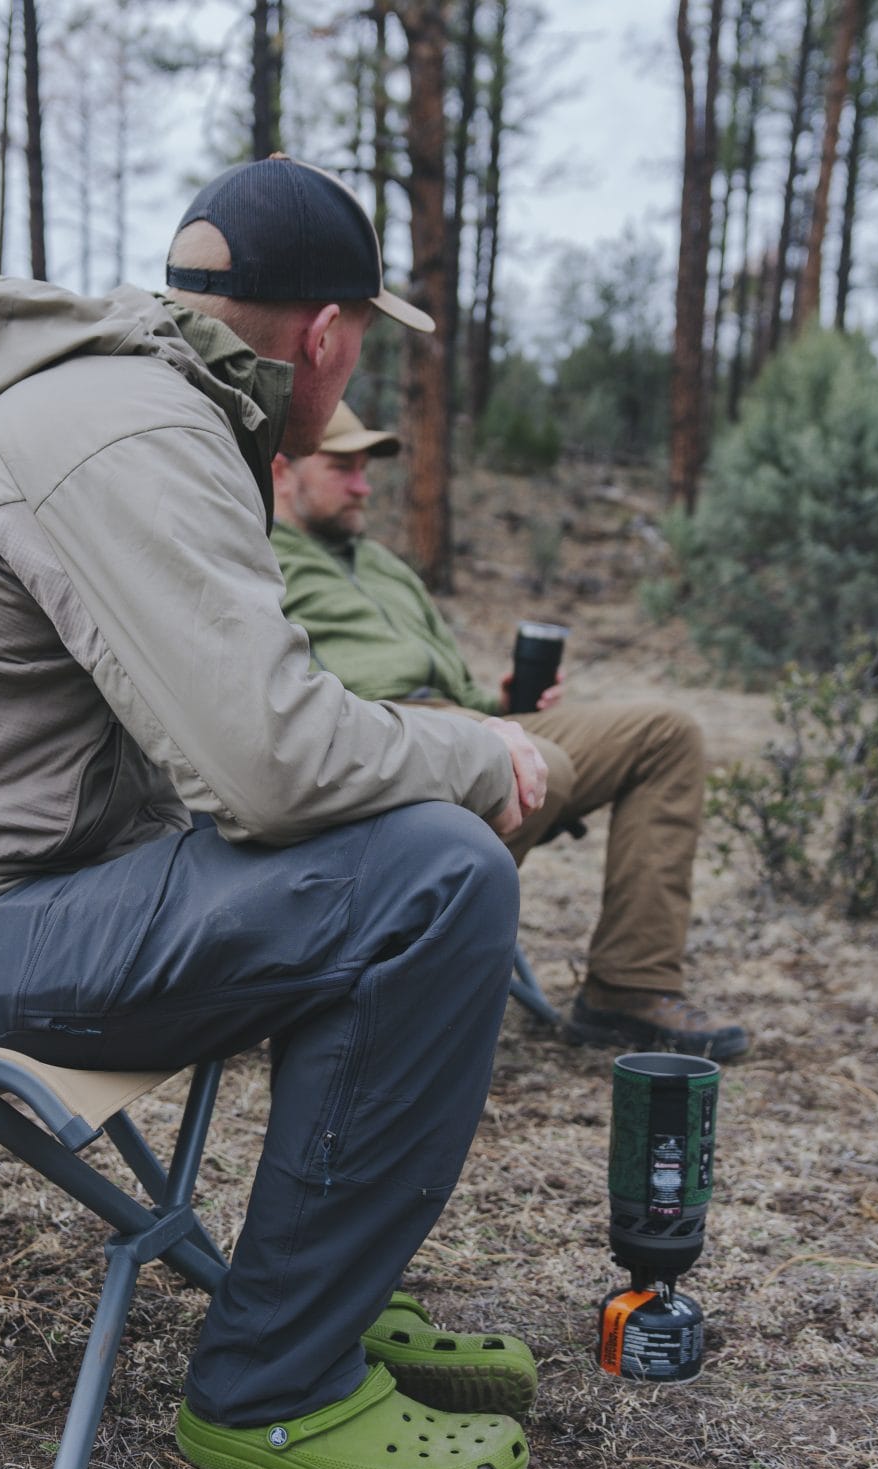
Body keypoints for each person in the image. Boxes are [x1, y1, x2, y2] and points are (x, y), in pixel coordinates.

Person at [0, 158, 547, 1469]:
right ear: (325, 333)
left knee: (391, 859)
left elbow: (239, 750)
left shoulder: (141, 408)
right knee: (432, 873)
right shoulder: (135, 431)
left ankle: (321, 1300)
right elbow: (271, 762)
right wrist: (479, 748)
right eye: (358, 345)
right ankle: (276, 1386)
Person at [270, 407, 748, 1062]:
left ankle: (627, 989)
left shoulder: (381, 565)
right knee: (526, 762)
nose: (364, 486)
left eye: (365, 469)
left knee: (666, 733)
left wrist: (496, 700)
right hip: (374, 734)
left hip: (458, 717)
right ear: (281, 469)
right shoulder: (258, 559)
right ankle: (397, 994)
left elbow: (454, 684)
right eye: (342, 467)